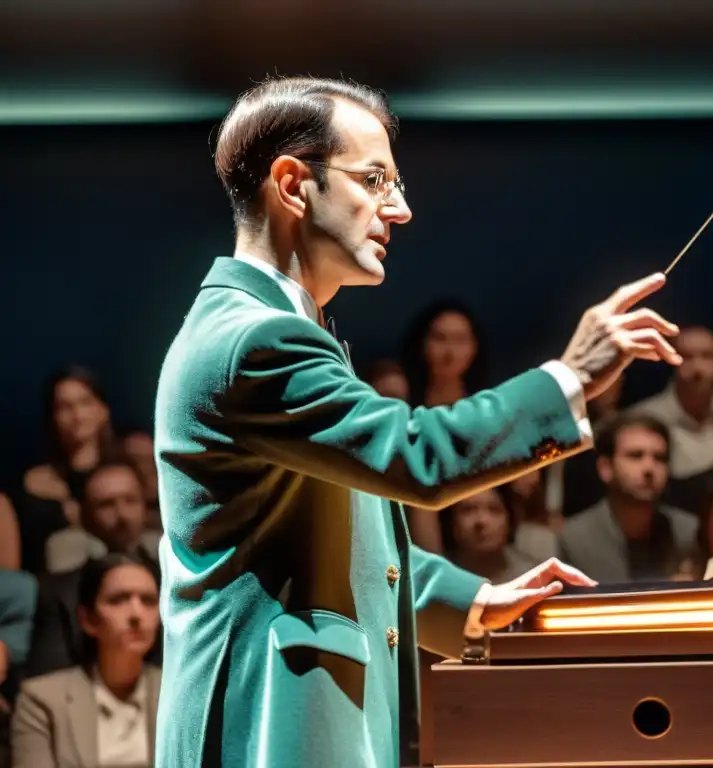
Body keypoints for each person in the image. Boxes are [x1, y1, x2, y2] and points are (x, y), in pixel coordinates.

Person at [152, 75, 681, 768]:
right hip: (270, 725)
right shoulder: (255, 341)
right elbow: (415, 457)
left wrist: (474, 599)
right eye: (374, 180)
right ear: (291, 184)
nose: (398, 208)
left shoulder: (270, 328)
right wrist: (572, 376)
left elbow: (345, 528)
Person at [12, 553, 162, 768]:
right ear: (88, 619)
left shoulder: (183, 695)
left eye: (148, 601)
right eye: (118, 600)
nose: (136, 614)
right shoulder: (41, 701)